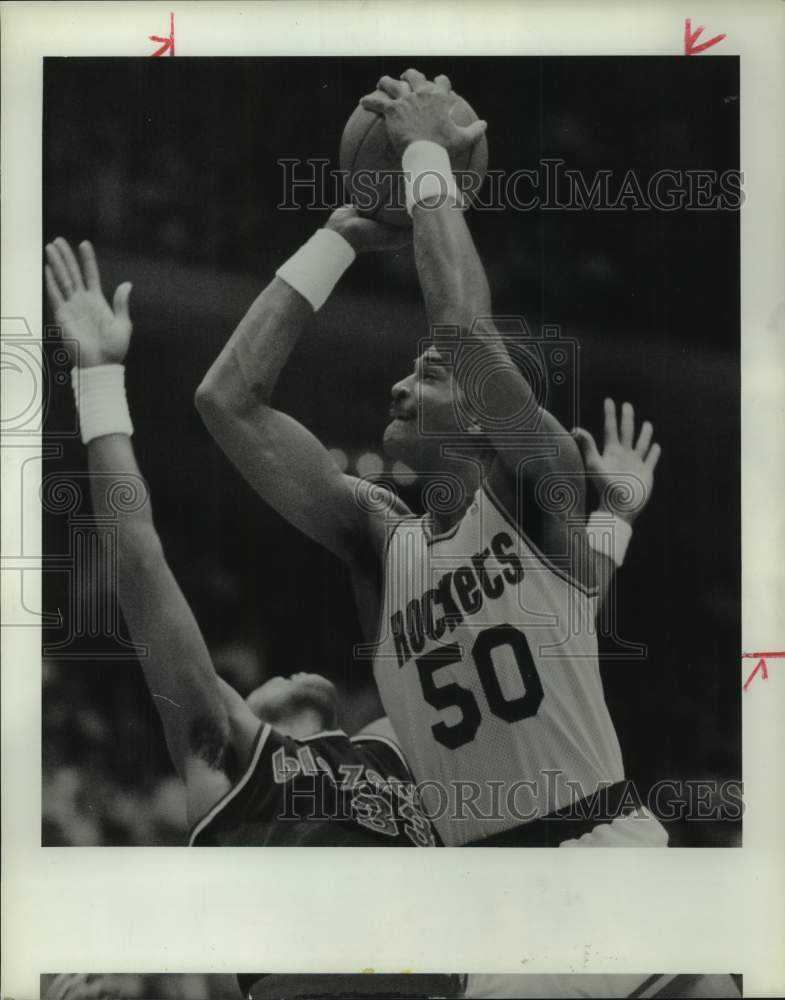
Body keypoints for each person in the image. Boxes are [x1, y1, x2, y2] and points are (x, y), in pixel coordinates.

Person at [196, 68, 665, 847]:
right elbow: (227, 402)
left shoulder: (535, 480)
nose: (400, 382)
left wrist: (423, 158)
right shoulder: (381, 539)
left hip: (604, 849)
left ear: (488, 422)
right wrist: (334, 241)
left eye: (428, 373)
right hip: (482, 901)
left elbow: (464, 333)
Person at [44, 236, 437, 850]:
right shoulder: (230, 753)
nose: (282, 670)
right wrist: (97, 379)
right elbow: (140, 563)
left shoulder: (395, 755)